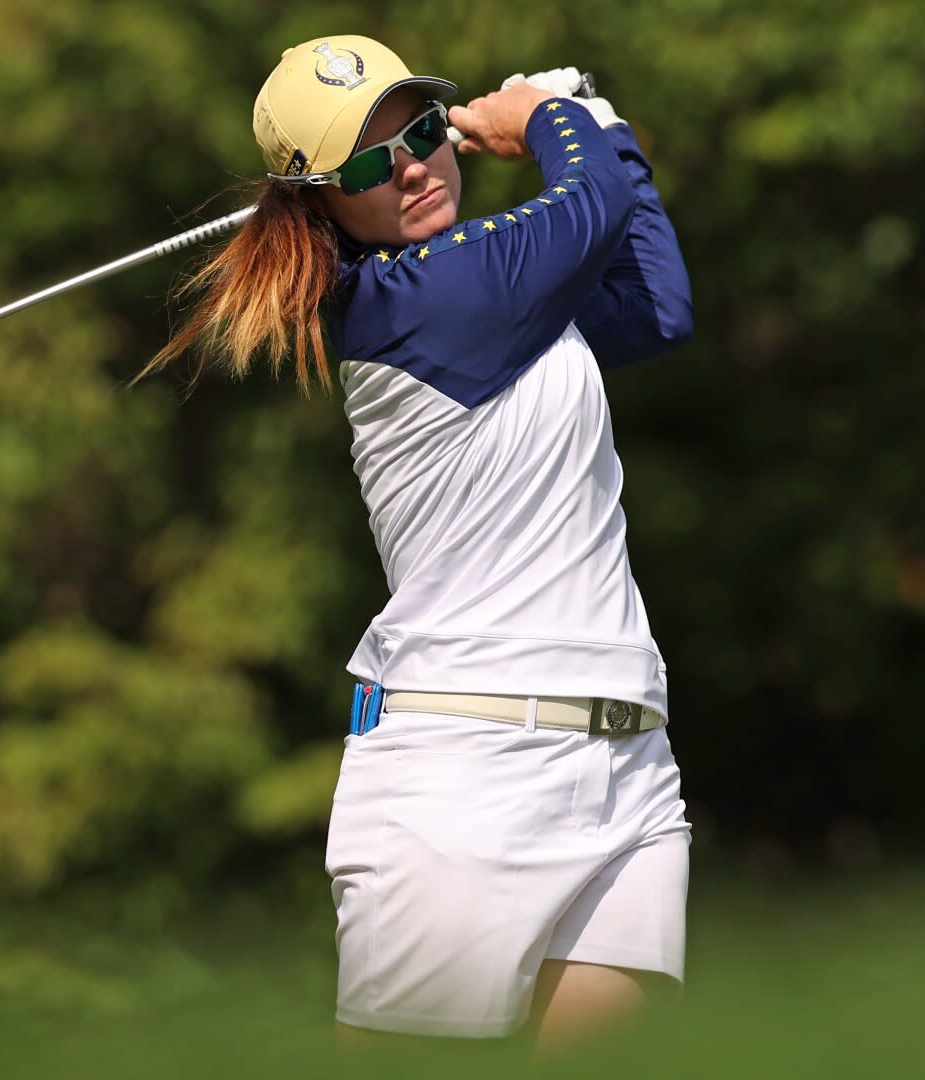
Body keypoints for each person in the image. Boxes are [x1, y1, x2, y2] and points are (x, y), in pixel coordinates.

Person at [141, 35, 695, 1047]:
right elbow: (593, 210)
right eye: (366, 163)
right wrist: (540, 116)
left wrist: (601, 124)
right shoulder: (412, 306)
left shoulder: (507, 306)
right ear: (319, 204)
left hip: (628, 765)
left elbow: (657, 308)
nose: (412, 167)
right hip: (463, 775)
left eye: (426, 132)